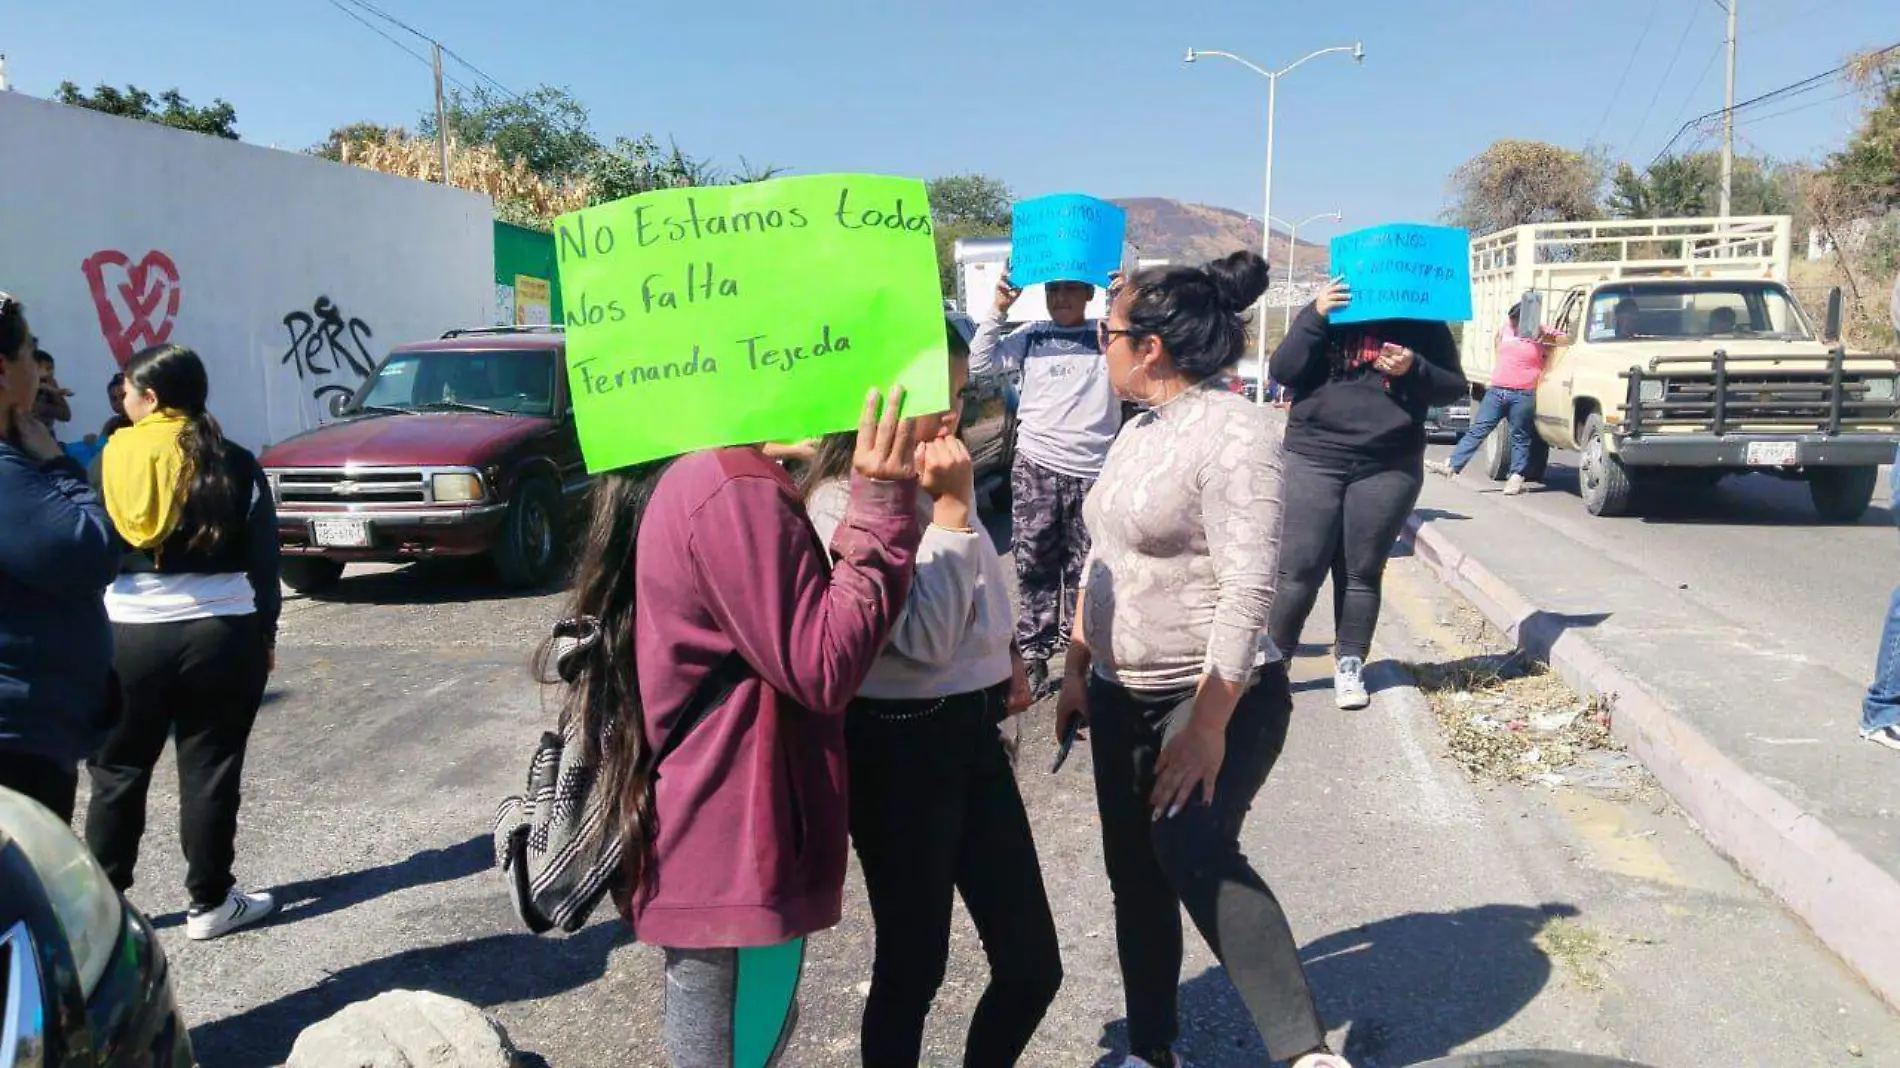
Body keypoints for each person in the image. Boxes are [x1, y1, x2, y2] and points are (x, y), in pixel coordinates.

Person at [542, 387, 923, 1068]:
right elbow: (824, 664)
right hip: (735, 842)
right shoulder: (729, 486)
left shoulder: (701, 474)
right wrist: (881, 506)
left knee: (745, 1041)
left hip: (717, 838)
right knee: (736, 1048)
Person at [1054, 251, 1349, 1068]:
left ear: (1149, 347)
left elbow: (1251, 586)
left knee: (1189, 848)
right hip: (1120, 694)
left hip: (1215, 691)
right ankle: (1153, 1050)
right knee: (1135, 878)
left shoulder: (1236, 433)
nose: (1100, 346)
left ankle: (1306, 1056)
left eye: (1109, 333)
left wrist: (1209, 725)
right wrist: (1078, 669)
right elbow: (1103, 557)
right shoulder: (1138, 429)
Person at [802, 323, 1058, 1066]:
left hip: (971, 733)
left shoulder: (942, 478)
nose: (951, 416)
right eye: (934, 398)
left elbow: (980, 594)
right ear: (875, 404)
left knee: (1031, 966)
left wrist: (1005, 654)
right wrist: (948, 513)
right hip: (896, 746)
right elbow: (925, 639)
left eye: (957, 395)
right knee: (914, 966)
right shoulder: (836, 504)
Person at [86, 344, 283, 941]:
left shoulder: (105, 460)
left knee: (117, 771)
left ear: (151, 398)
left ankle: (103, 911)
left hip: (125, 635)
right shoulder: (236, 462)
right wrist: (265, 634)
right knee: (211, 769)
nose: (121, 398)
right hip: (222, 634)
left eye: (128, 389)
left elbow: (83, 548)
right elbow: (263, 560)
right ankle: (210, 904)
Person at [1267, 278, 1467, 710]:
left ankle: (1350, 664)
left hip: (1388, 463)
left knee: (1361, 571)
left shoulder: (1423, 322)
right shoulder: (1329, 310)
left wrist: (1414, 367)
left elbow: (1453, 387)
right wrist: (1315, 315)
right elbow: (1283, 371)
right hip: (1314, 456)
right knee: (1297, 569)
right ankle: (1271, 670)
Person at [0, 292, 120, 820]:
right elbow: (88, 553)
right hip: (16, 747)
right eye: (32, 353)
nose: (41, 372)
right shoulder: (12, 472)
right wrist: (58, 466)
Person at [971, 276, 1121, 697]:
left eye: (1072, 289)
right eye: (1054, 290)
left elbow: (1145, 360)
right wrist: (998, 309)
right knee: (1034, 565)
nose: (1062, 298)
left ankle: (1082, 662)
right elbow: (981, 365)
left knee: (1086, 573)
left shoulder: (1108, 335)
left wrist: (1126, 302)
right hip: (1037, 466)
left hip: (1094, 471)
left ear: (1090, 293)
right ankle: (1034, 657)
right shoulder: (1032, 336)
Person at [1427, 302, 1552, 495]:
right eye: (1512, 320)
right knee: (1478, 430)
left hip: (1523, 393)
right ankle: (1452, 465)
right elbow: (1498, 348)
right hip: (1497, 390)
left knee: (1520, 435)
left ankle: (1516, 477)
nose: (1513, 323)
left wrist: (1543, 337)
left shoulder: (1541, 332)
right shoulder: (1505, 329)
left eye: (1516, 320)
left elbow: (1561, 341)